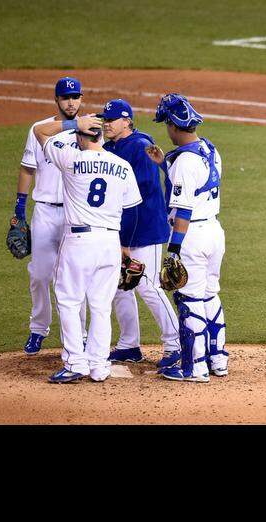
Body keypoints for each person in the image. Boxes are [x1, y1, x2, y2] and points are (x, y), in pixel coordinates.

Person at [32, 113, 143, 383]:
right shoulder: (123, 165)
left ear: (82, 136)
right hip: (109, 243)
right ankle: (99, 366)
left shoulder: (72, 159)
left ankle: (75, 363)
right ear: (101, 136)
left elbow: (40, 131)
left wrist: (73, 123)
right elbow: (132, 211)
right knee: (102, 306)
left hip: (79, 242)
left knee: (70, 302)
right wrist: (123, 248)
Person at [145, 93, 228, 382]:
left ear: (173, 125)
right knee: (208, 294)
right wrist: (163, 165)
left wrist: (173, 250)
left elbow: (183, 211)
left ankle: (194, 367)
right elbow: (197, 186)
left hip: (191, 235)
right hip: (214, 233)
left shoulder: (183, 163)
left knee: (188, 300)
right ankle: (217, 360)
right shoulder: (210, 149)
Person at [100, 98, 182, 371]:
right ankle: (128, 345)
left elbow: (143, 195)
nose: (106, 123)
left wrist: (126, 241)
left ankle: (175, 345)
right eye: (105, 119)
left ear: (127, 121)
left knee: (148, 287)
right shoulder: (111, 146)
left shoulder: (140, 147)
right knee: (120, 285)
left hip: (145, 227)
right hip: (121, 227)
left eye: (112, 119)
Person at [12, 77, 88, 354]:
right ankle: (38, 328)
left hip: (75, 214)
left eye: (76, 97)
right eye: (66, 97)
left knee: (74, 277)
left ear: (81, 98)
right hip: (44, 211)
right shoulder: (40, 130)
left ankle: (79, 334)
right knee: (40, 275)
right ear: (56, 100)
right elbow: (27, 169)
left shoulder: (91, 130)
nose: (71, 102)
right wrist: (19, 210)